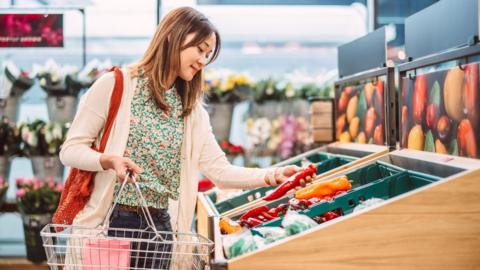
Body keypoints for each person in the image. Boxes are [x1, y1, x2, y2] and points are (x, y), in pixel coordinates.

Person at [60, 6, 301, 269]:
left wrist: (272, 176)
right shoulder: (115, 85)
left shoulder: (190, 110)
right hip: (113, 223)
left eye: (208, 54)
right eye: (200, 49)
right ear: (173, 37)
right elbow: (71, 150)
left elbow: (219, 171)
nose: (203, 60)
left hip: (161, 227)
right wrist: (108, 160)